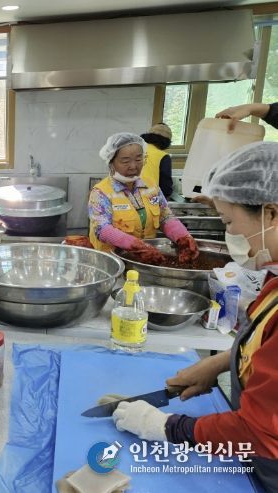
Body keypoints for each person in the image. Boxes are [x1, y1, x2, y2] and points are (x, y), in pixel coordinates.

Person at [112, 141, 278, 492]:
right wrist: (221, 363)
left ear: (271, 214)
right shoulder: (273, 282)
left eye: (229, 221)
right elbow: (264, 345)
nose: (230, 235)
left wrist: (168, 427)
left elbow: (261, 434)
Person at [88, 132, 199, 264]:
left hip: (145, 262)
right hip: (112, 263)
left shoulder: (151, 185)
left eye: (138, 159)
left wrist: (183, 237)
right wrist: (137, 246)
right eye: (125, 161)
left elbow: (165, 217)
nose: (133, 166)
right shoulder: (101, 192)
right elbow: (102, 229)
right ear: (111, 162)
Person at [140, 123, 174, 199]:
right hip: (149, 198)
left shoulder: (136, 148)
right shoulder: (163, 156)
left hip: (126, 196)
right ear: (166, 142)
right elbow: (166, 185)